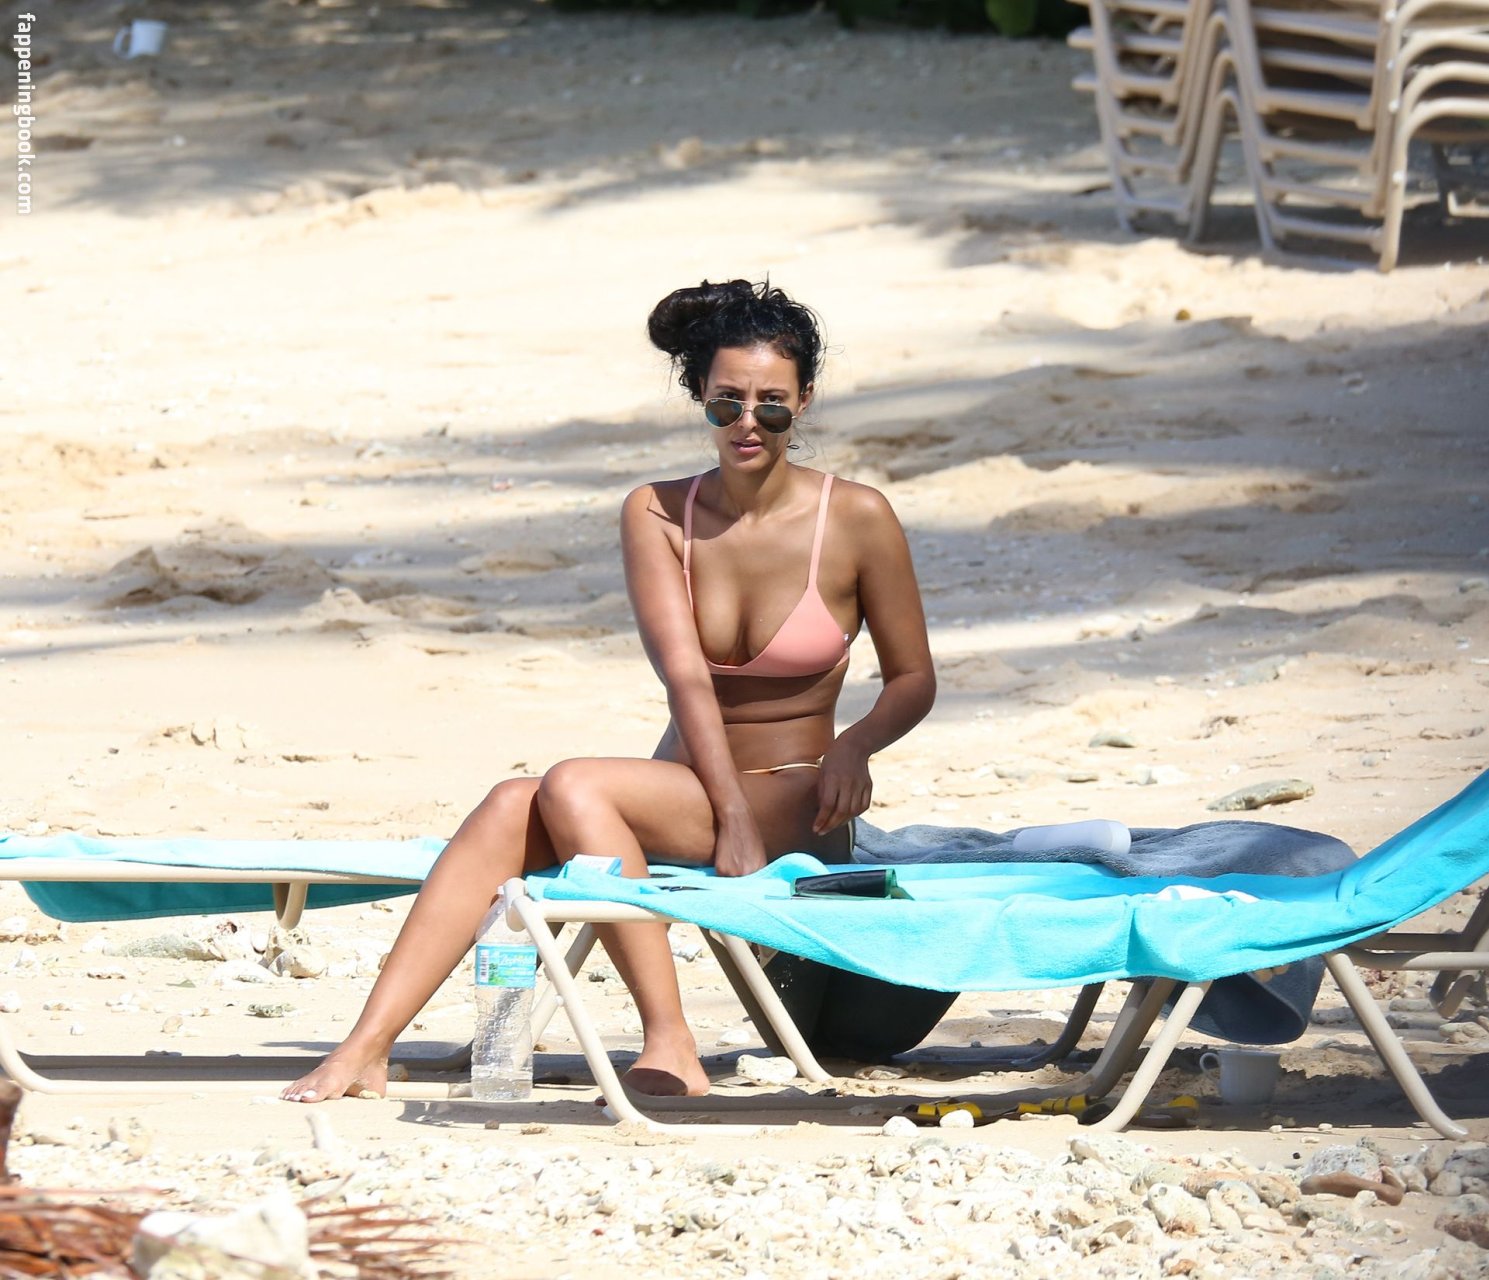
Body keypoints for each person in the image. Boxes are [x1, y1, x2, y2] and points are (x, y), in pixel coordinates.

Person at [283, 279, 936, 1102]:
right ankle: (364, 1048)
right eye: (727, 402)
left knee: (574, 785)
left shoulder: (856, 517)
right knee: (509, 805)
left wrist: (855, 746)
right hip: (690, 795)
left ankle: (670, 1041)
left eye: (772, 405)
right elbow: (683, 675)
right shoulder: (657, 513)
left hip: (796, 797)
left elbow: (913, 678)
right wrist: (725, 814)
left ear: (803, 401)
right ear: (700, 397)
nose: (748, 423)